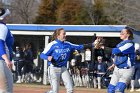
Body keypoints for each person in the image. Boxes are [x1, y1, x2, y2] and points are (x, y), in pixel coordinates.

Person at [40, 28, 93, 93]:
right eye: (63, 34)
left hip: (63, 68)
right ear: (58, 35)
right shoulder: (52, 44)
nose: (65, 35)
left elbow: (79, 47)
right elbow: (42, 55)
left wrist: (92, 44)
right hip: (53, 68)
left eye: (65, 34)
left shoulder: (68, 44)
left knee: (70, 89)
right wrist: (48, 57)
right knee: (55, 91)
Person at [107, 27, 135, 93]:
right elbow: (116, 56)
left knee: (119, 90)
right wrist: (113, 65)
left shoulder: (129, 44)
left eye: (122, 33)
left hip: (127, 70)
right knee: (110, 90)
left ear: (128, 35)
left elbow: (116, 51)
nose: (120, 34)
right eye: (120, 33)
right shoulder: (120, 44)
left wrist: (102, 47)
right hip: (117, 69)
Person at [0, 8, 14, 93]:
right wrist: (6, 59)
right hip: (1, 61)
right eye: (7, 15)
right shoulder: (2, 27)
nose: (8, 17)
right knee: (6, 90)